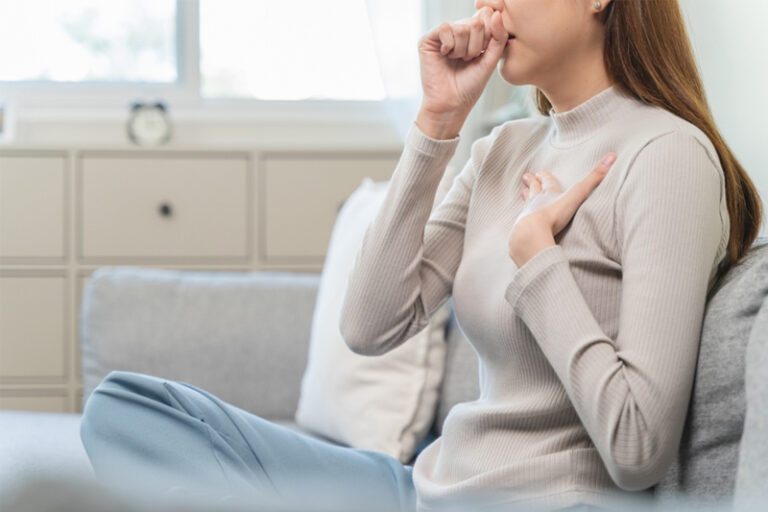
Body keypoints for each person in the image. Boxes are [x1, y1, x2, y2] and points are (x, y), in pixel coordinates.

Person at [79, 1, 763, 512]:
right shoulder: (503, 149)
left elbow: (638, 449)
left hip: (542, 502)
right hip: (421, 492)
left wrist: (538, 261)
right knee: (126, 408)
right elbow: (370, 325)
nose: (486, 8)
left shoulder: (667, 157)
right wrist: (438, 123)